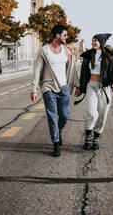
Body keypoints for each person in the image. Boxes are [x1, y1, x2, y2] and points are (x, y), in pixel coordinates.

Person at [30, 24, 79, 157]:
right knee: (52, 116)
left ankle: (58, 131)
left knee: (65, 116)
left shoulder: (67, 51)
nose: (66, 37)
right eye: (64, 35)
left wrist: (77, 85)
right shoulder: (44, 50)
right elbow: (37, 70)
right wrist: (33, 89)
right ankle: (56, 142)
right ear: (57, 35)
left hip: (63, 87)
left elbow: (72, 70)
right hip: (48, 88)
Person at [74, 33, 113, 150]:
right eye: (92, 41)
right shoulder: (88, 56)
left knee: (102, 114)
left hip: (104, 88)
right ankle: (88, 136)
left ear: (101, 43)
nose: (93, 43)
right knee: (91, 113)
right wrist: (80, 87)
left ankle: (96, 138)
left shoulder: (110, 57)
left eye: (95, 41)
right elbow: (83, 73)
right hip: (91, 86)